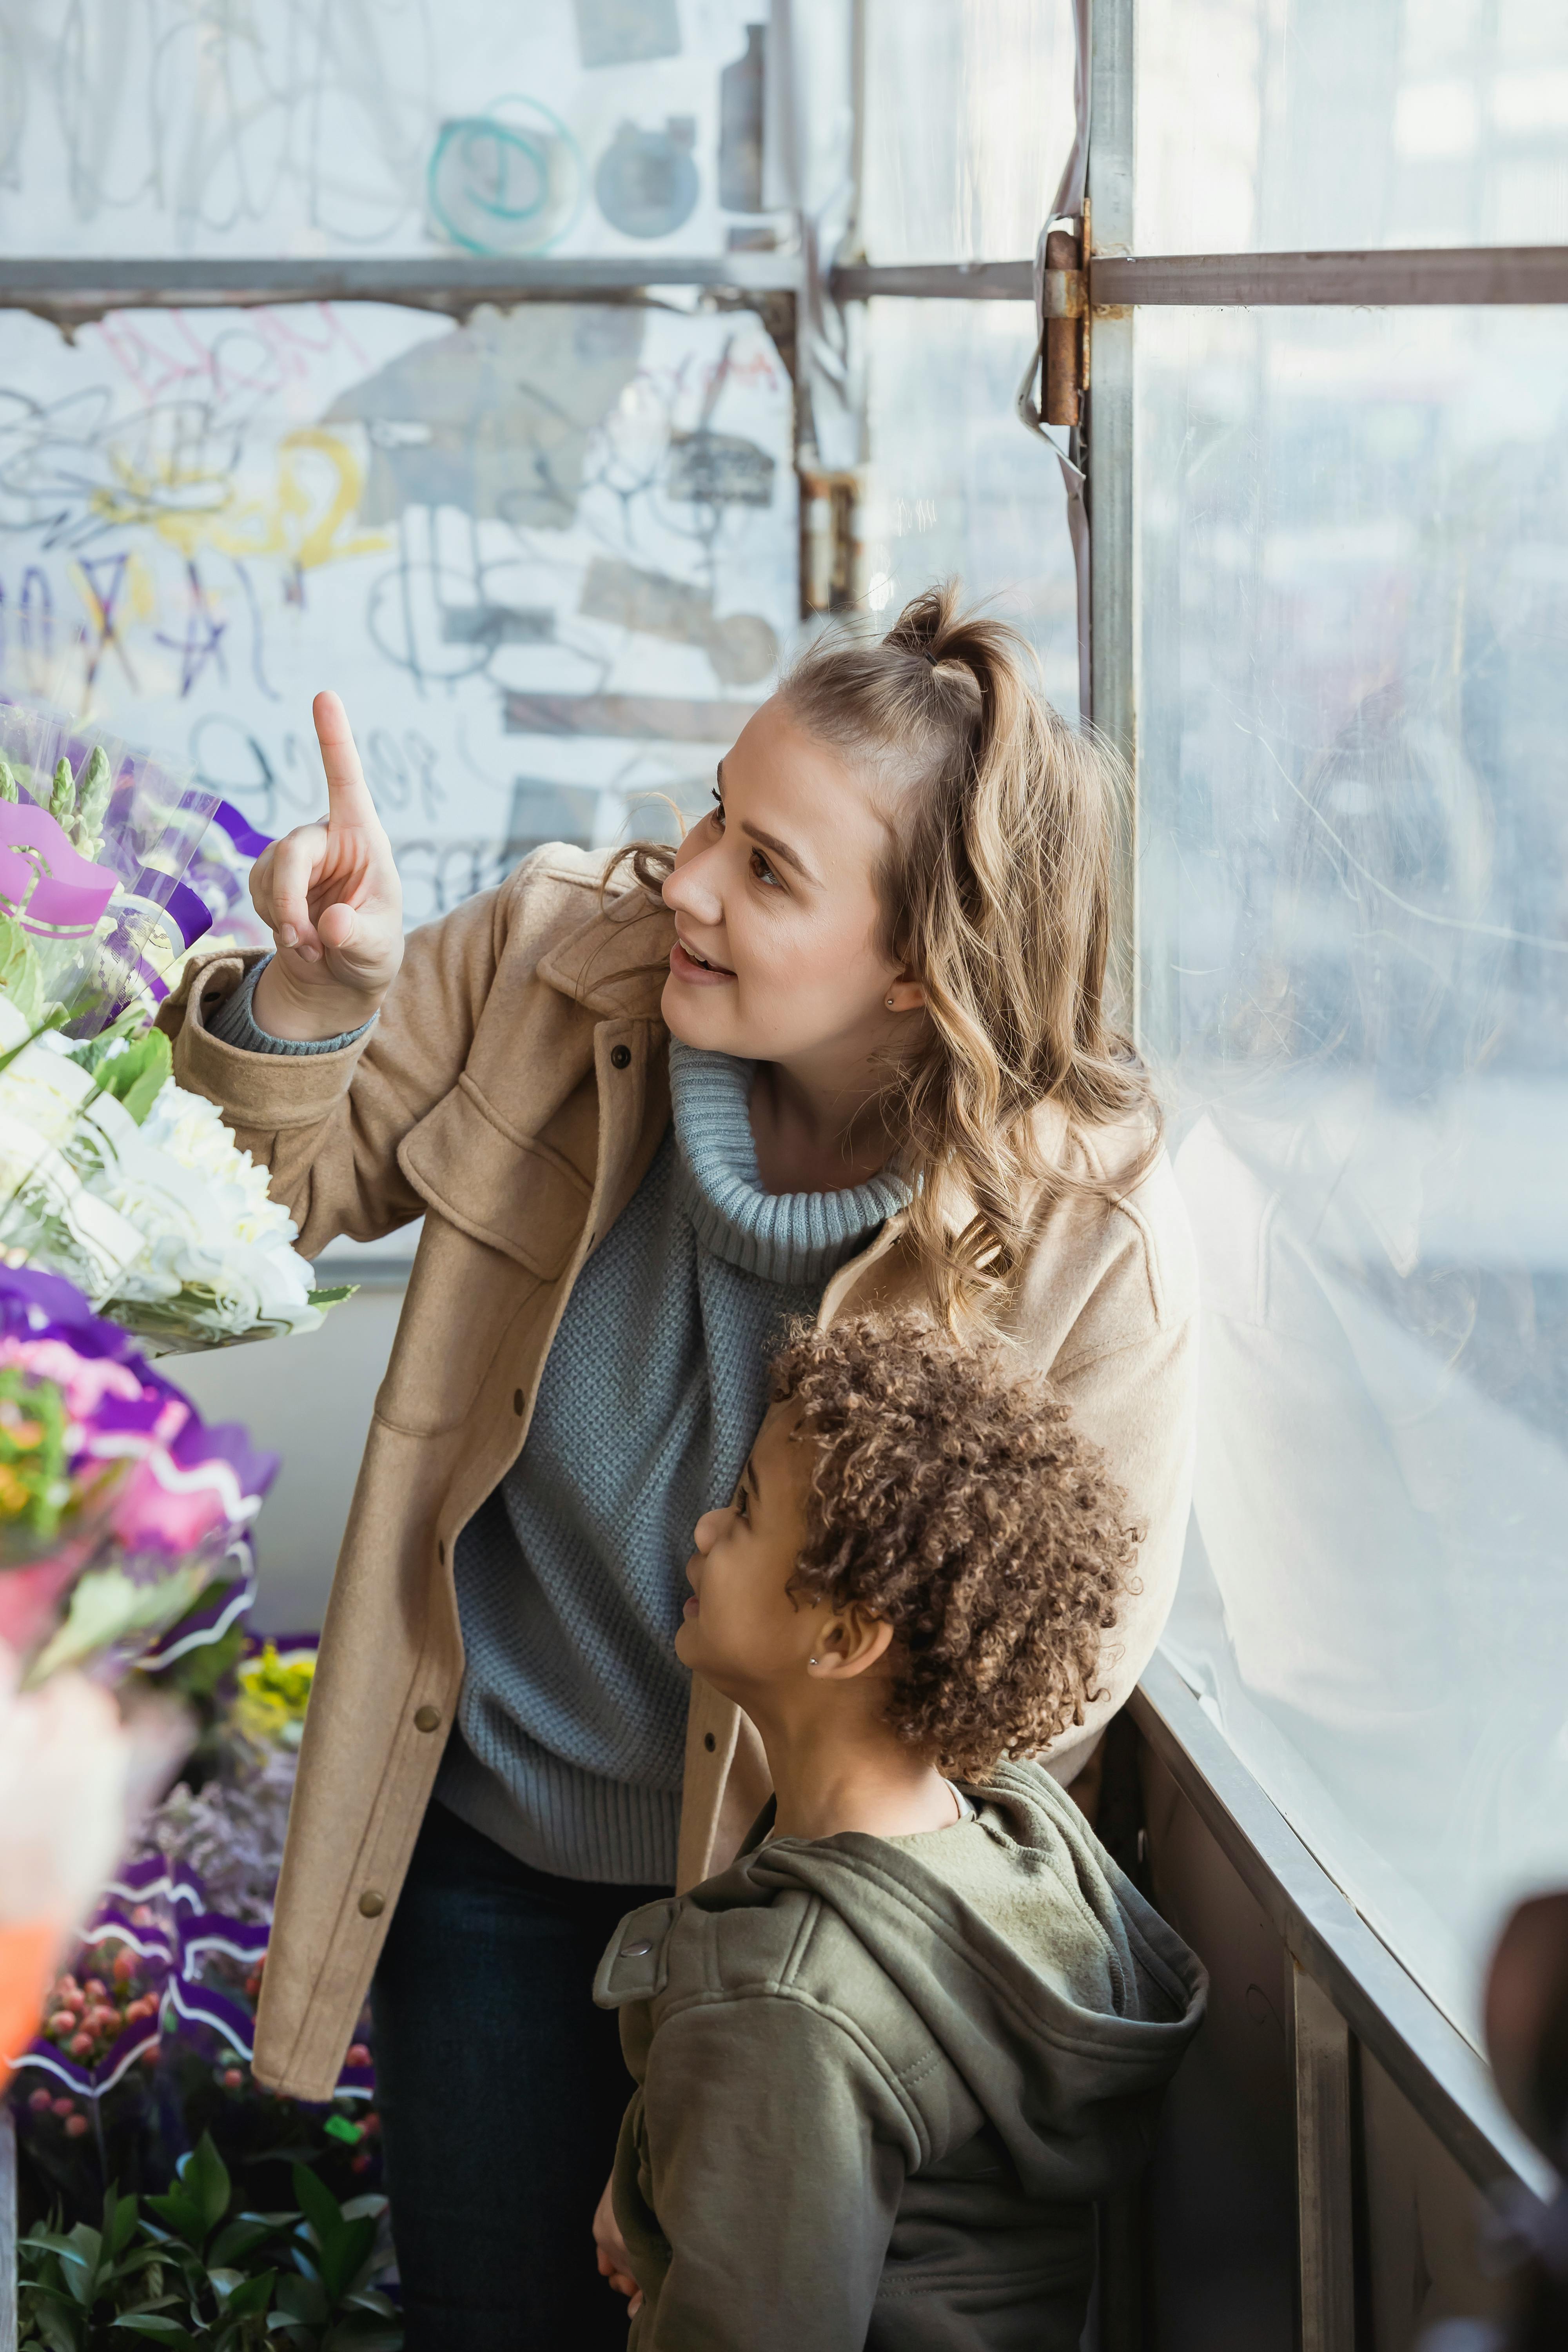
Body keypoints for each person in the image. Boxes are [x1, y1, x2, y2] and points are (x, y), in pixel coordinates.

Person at [157, 584, 1198, 2347]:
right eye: (716, 806)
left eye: (771, 870)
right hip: (485, 1855)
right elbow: (259, 1216)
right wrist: (310, 1004)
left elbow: (1053, 1674)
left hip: (810, 1945)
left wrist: (732, 2049)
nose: (689, 879)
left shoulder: (1079, 1220)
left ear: (917, 965)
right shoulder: (558, 959)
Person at [591, 1310, 1205, 2348]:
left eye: (743, 1513)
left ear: (841, 1636)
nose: (703, 1529)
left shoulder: (791, 2007)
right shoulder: (1004, 1834)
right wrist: (648, 2192)